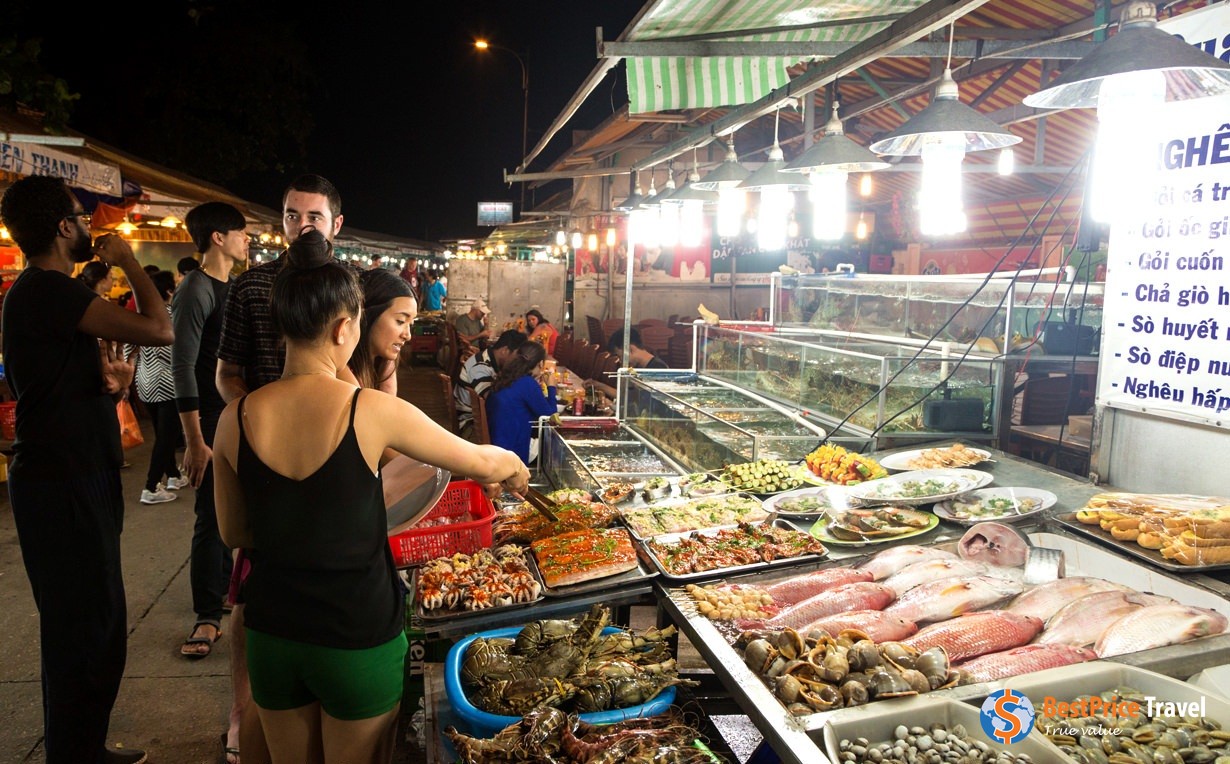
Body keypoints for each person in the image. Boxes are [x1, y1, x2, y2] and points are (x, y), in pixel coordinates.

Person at [212, 229, 529, 764]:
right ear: (344, 328)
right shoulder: (369, 410)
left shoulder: (233, 419)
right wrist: (516, 468)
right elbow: (480, 461)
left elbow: (235, 533)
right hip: (355, 631)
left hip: (273, 631)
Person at [1, 175, 173, 764]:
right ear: (61, 227)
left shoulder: (48, 294)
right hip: (62, 483)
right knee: (84, 629)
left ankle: (83, 747)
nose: (91, 228)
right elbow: (161, 328)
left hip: (73, 476)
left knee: (92, 625)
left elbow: (57, 394)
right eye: (80, 215)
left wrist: (114, 392)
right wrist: (128, 261)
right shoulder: (50, 289)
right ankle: (74, 754)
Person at [216, 172, 353, 764]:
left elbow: (373, 366)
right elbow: (228, 371)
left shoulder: (350, 286)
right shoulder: (250, 289)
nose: (303, 226)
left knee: (334, 573)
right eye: (293, 216)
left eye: (314, 217)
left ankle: (327, 699)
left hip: (343, 445)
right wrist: (248, 426)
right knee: (252, 587)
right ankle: (246, 710)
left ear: (335, 225)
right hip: (260, 452)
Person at [173, 201, 248, 669]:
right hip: (207, 421)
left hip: (230, 417)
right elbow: (182, 365)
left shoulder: (230, 287)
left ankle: (222, 592)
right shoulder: (196, 289)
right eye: (240, 233)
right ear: (217, 237)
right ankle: (205, 615)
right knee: (209, 515)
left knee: (230, 513)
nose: (246, 240)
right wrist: (194, 439)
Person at [131, 270, 185, 505]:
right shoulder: (171, 317)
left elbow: (128, 350)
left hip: (144, 383)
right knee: (166, 437)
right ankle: (151, 486)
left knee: (162, 433)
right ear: (169, 291)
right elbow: (176, 353)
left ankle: (173, 475)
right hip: (168, 385)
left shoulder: (140, 317)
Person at [486, 340, 557, 465]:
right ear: (540, 364)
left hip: (497, 442)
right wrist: (551, 387)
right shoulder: (527, 383)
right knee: (557, 445)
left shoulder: (506, 376)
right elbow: (551, 417)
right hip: (513, 451)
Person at [348, 268, 417, 395]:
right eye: (400, 321)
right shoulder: (343, 376)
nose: (408, 336)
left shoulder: (380, 365)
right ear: (367, 315)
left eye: (410, 324)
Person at [455, 329, 526, 437]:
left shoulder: (491, 360)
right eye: (516, 356)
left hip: (481, 417)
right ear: (505, 350)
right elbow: (493, 402)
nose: (517, 361)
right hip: (470, 424)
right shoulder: (480, 367)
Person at [587, 326, 668, 398]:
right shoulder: (638, 368)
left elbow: (633, 399)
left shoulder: (658, 369)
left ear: (629, 349)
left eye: (620, 356)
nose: (620, 361)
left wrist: (602, 387)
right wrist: (600, 386)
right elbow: (628, 395)